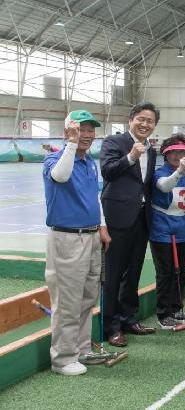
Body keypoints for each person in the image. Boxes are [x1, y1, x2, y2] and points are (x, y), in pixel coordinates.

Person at [43, 110, 112, 375]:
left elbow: (93, 198)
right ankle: (62, 359)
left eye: (90, 130)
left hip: (91, 236)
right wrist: (71, 144)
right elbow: (60, 176)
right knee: (67, 301)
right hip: (67, 239)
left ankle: (81, 349)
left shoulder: (89, 162)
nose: (86, 135)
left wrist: (101, 226)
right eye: (80, 129)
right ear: (68, 131)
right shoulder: (54, 159)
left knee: (86, 298)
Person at [100, 102, 159, 347]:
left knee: (133, 271)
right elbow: (107, 172)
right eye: (141, 119)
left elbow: (144, 184)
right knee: (113, 274)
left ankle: (128, 318)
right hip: (117, 217)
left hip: (141, 217)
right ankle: (112, 327)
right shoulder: (113, 142)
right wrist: (131, 157)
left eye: (150, 121)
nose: (145, 124)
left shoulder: (151, 150)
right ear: (130, 120)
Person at [149, 134, 185, 330]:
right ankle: (163, 312)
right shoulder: (160, 172)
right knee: (165, 272)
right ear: (166, 154)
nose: (177, 156)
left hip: (184, 229)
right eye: (173, 152)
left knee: (181, 271)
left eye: (182, 152)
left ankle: (176, 308)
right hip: (163, 229)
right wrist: (179, 172)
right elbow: (164, 186)